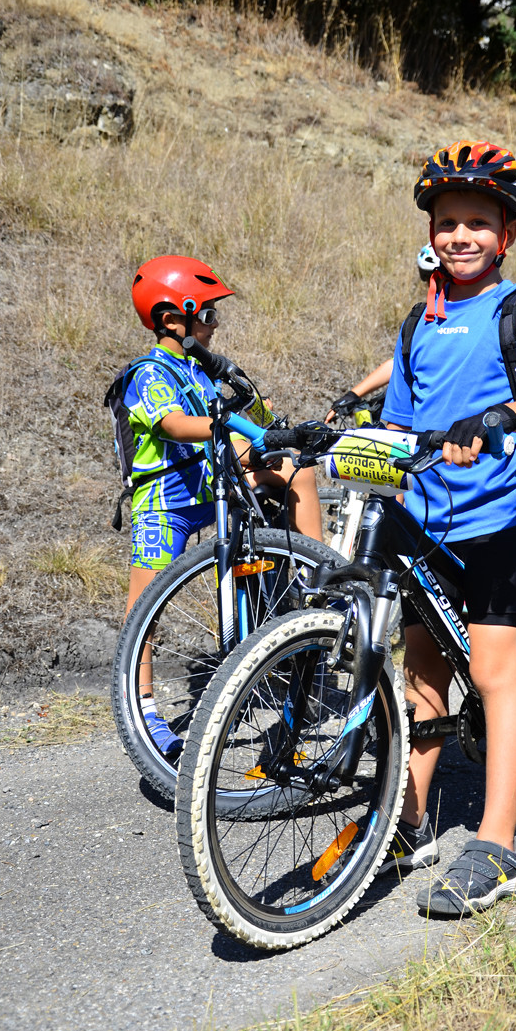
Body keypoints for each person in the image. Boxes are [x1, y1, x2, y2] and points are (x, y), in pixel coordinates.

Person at [377, 139, 516, 918]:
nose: (460, 236)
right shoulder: (416, 324)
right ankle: (411, 820)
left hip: (497, 519)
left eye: (477, 223)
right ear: (430, 234)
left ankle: (499, 844)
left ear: (507, 236)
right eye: (447, 222)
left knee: (494, 674)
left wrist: (498, 417)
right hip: (425, 521)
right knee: (423, 670)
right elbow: (398, 418)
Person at [122, 255, 323, 750]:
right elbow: (171, 424)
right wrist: (232, 426)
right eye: (208, 315)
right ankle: (142, 709)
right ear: (173, 320)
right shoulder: (146, 372)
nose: (215, 325)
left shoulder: (201, 369)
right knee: (143, 608)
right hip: (165, 495)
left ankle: (318, 579)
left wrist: (268, 421)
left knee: (298, 468)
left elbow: (251, 408)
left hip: (213, 483)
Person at [324, 245, 441, 424]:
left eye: (436, 280)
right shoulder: (422, 318)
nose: (431, 287)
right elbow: (400, 364)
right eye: (429, 281)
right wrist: (352, 395)